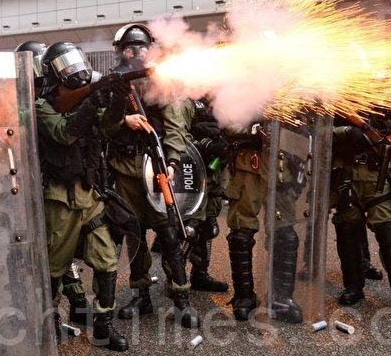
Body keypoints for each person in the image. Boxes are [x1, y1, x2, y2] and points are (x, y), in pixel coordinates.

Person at [36, 41, 129, 351]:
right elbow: (64, 133)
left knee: (106, 260)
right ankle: (47, 323)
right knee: (54, 268)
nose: (72, 68)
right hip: (59, 200)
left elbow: (108, 128)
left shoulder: (87, 98)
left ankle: (103, 327)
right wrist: (91, 100)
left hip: (89, 195)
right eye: (63, 63)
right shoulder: (41, 106)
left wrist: (116, 100)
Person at [108, 24, 200, 329]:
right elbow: (99, 124)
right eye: (130, 49)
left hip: (154, 165)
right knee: (134, 234)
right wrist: (124, 120)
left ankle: (182, 299)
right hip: (123, 168)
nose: (136, 54)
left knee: (169, 232)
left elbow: (175, 127)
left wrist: (171, 161)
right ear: (120, 51)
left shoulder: (161, 80)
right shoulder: (113, 83)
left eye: (142, 48)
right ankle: (141, 295)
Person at [15, 40, 92, 327]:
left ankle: (76, 301)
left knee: (60, 249)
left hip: (52, 181)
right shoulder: (28, 101)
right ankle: (41, 313)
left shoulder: (53, 97)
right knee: (43, 252)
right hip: (29, 181)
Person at [330, 108, 391, 316]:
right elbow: (319, 133)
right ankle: (353, 287)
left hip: (378, 179)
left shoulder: (387, 99)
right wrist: (347, 132)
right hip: (346, 178)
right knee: (347, 228)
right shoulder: (339, 98)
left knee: (389, 229)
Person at [224, 121, 304, 323]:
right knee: (242, 231)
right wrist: (252, 121)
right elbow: (226, 121)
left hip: (283, 164)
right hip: (250, 162)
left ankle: (281, 298)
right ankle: (244, 297)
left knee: (285, 233)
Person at [183, 98, 229, 292]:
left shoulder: (225, 99)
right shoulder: (188, 102)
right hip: (193, 173)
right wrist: (206, 146)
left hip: (215, 172)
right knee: (188, 229)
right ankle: (177, 280)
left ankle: (200, 274)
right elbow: (179, 135)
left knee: (209, 227)